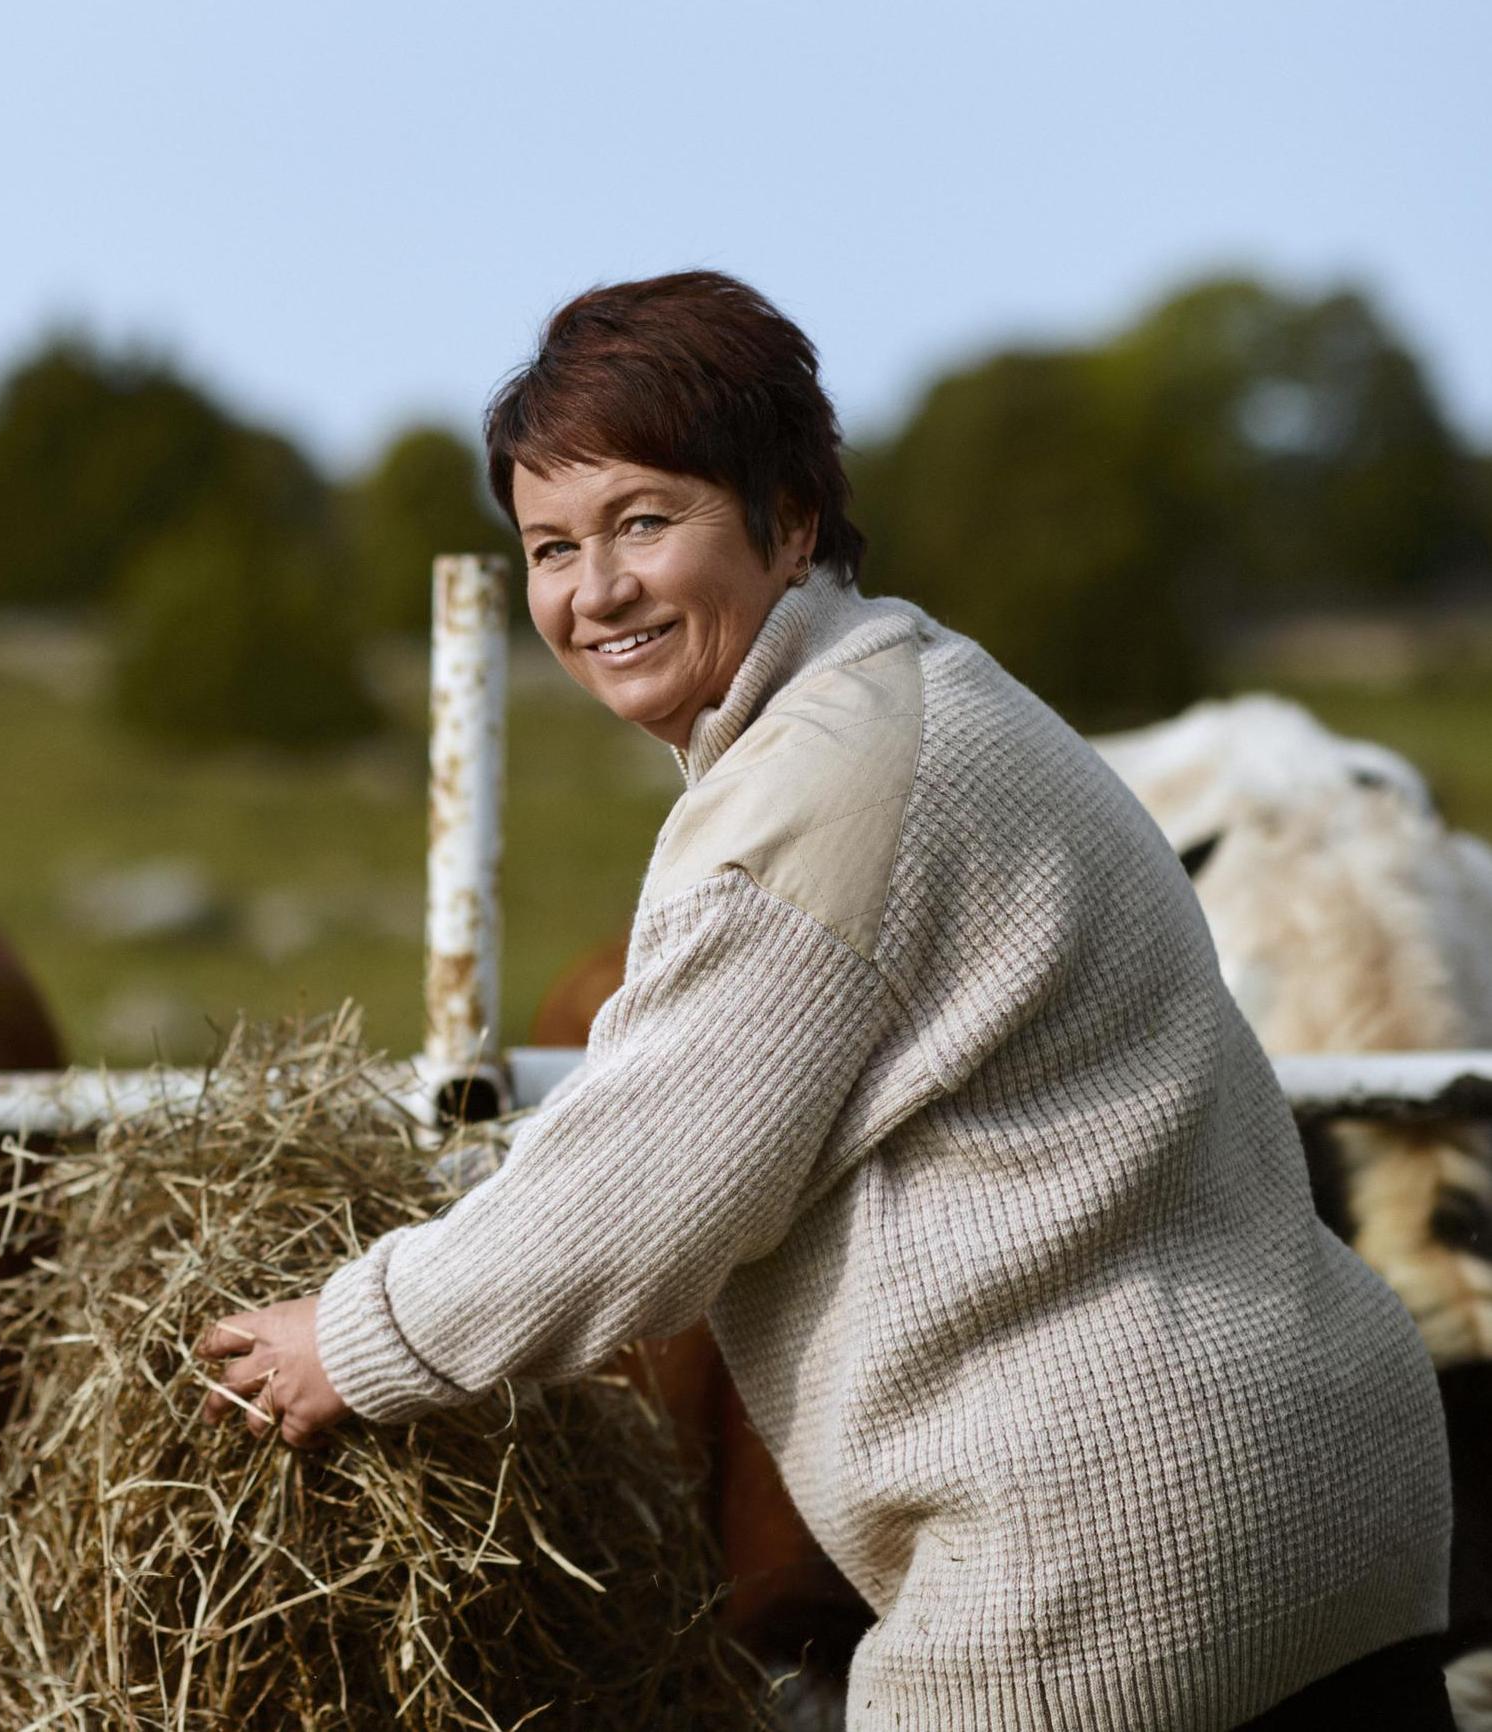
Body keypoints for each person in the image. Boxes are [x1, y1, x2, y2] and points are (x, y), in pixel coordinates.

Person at [197, 271, 1455, 1729]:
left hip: (1107, 1554)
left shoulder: (821, 778)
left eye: (645, 522)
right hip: (1323, 1491)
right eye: (550, 545)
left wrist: (352, 1340)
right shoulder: (917, 689)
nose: (591, 589)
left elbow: (646, 1182)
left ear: (789, 519)